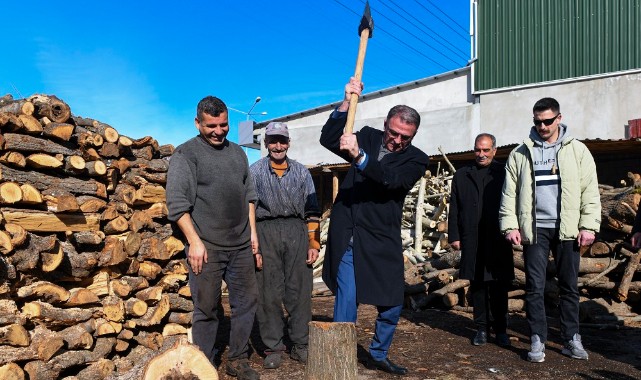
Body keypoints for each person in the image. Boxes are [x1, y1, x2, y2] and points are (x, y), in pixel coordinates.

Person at [320, 77, 429, 376]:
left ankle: (378, 354)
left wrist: (359, 157)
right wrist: (345, 103)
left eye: (405, 137)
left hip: (381, 237)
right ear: (385, 125)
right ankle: (340, 358)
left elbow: (390, 181)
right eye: (393, 133)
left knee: (392, 301)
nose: (397, 141)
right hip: (349, 233)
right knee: (347, 300)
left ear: (413, 136)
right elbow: (329, 139)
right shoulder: (366, 135)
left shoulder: (416, 160)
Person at [166, 96, 262, 380]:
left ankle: (237, 358)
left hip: (242, 244)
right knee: (206, 307)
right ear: (198, 123)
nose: (219, 131)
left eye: (224, 125)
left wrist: (254, 235)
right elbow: (177, 204)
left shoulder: (238, 153)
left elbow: (250, 197)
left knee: (247, 302)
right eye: (211, 126)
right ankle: (202, 363)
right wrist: (194, 242)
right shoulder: (186, 155)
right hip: (206, 246)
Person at [499, 97, 601, 363]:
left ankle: (570, 339)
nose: (542, 126)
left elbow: (590, 191)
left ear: (559, 118)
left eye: (547, 121)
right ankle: (537, 338)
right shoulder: (521, 153)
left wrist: (589, 225)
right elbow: (509, 193)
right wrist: (510, 224)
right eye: (537, 121)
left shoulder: (577, 151)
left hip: (567, 230)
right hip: (535, 229)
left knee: (569, 286)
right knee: (534, 286)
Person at [249, 122, 321, 369]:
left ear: (288, 143)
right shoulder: (255, 172)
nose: (277, 146)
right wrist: (254, 244)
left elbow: (312, 210)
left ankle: (300, 344)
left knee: (299, 290)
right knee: (267, 291)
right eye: (273, 141)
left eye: (282, 140)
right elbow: (247, 210)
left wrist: (313, 242)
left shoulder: (302, 172)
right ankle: (273, 346)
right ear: (266, 143)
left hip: (296, 230)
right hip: (265, 230)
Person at [448, 133, 514, 348]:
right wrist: (455, 236)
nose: (481, 154)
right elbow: (455, 208)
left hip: (497, 237)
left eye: (486, 150)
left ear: (494, 150)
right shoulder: (462, 175)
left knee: (498, 285)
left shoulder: (504, 173)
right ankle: (481, 328)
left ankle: (501, 329)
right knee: (477, 286)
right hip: (472, 238)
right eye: (478, 150)